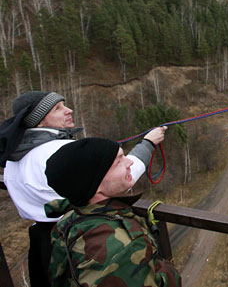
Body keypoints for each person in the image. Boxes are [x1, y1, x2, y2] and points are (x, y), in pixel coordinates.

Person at [0, 91, 166, 287]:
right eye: (57, 109)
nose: (69, 110)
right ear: (39, 122)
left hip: (43, 242)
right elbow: (116, 179)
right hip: (84, 238)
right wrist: (147, 144)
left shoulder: (13, 159)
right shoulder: (59, 153)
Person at [44, 137, 181, 287]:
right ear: (95, 183)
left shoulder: (71, 218)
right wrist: (168, 273)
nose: (130, 162)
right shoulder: (121, 249)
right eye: (119, 161)